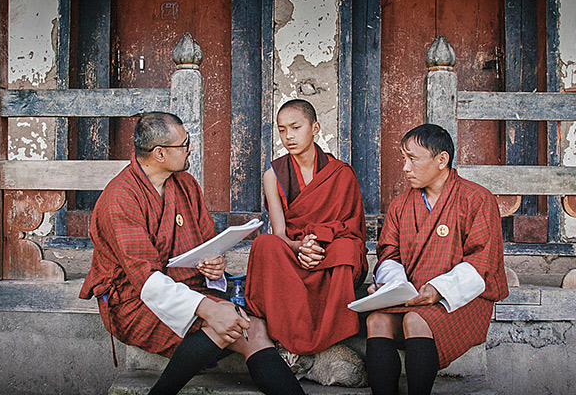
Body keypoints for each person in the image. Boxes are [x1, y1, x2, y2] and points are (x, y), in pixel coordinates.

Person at [79, 112, 305, 395]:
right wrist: (209, 308)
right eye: (184, 144)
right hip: (134, 300)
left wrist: (214, 266)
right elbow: (146, 280)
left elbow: (208, 243)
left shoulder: (185, 184)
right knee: (224, 322)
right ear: (160, 153)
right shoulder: (120, 199)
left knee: (255, 327)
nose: (191, 149)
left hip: (188, 285)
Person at [364, 124, 508, 395]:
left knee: (416, 321)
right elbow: (388, 253)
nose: (405, 167)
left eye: (413, 159)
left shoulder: (477, 199)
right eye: (404, 158)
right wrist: (395, 286)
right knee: (376, 321)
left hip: (464, 297)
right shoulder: (401, 205)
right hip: (413, 294)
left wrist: (438, 290)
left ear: (442, 160)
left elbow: (483, 261)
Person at [245, 99, 368, 357]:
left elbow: (350, 227)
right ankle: (289, 334)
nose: (288, 136)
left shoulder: (341, 173)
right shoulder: (273, 174)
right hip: (296, 250)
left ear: (315, 128)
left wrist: (318, 243)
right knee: (264, 244)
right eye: (281, 130)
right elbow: (280, 234)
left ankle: (329, 336)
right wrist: (300, 246)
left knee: (346, 249)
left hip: (329, 248)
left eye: (295, 127)